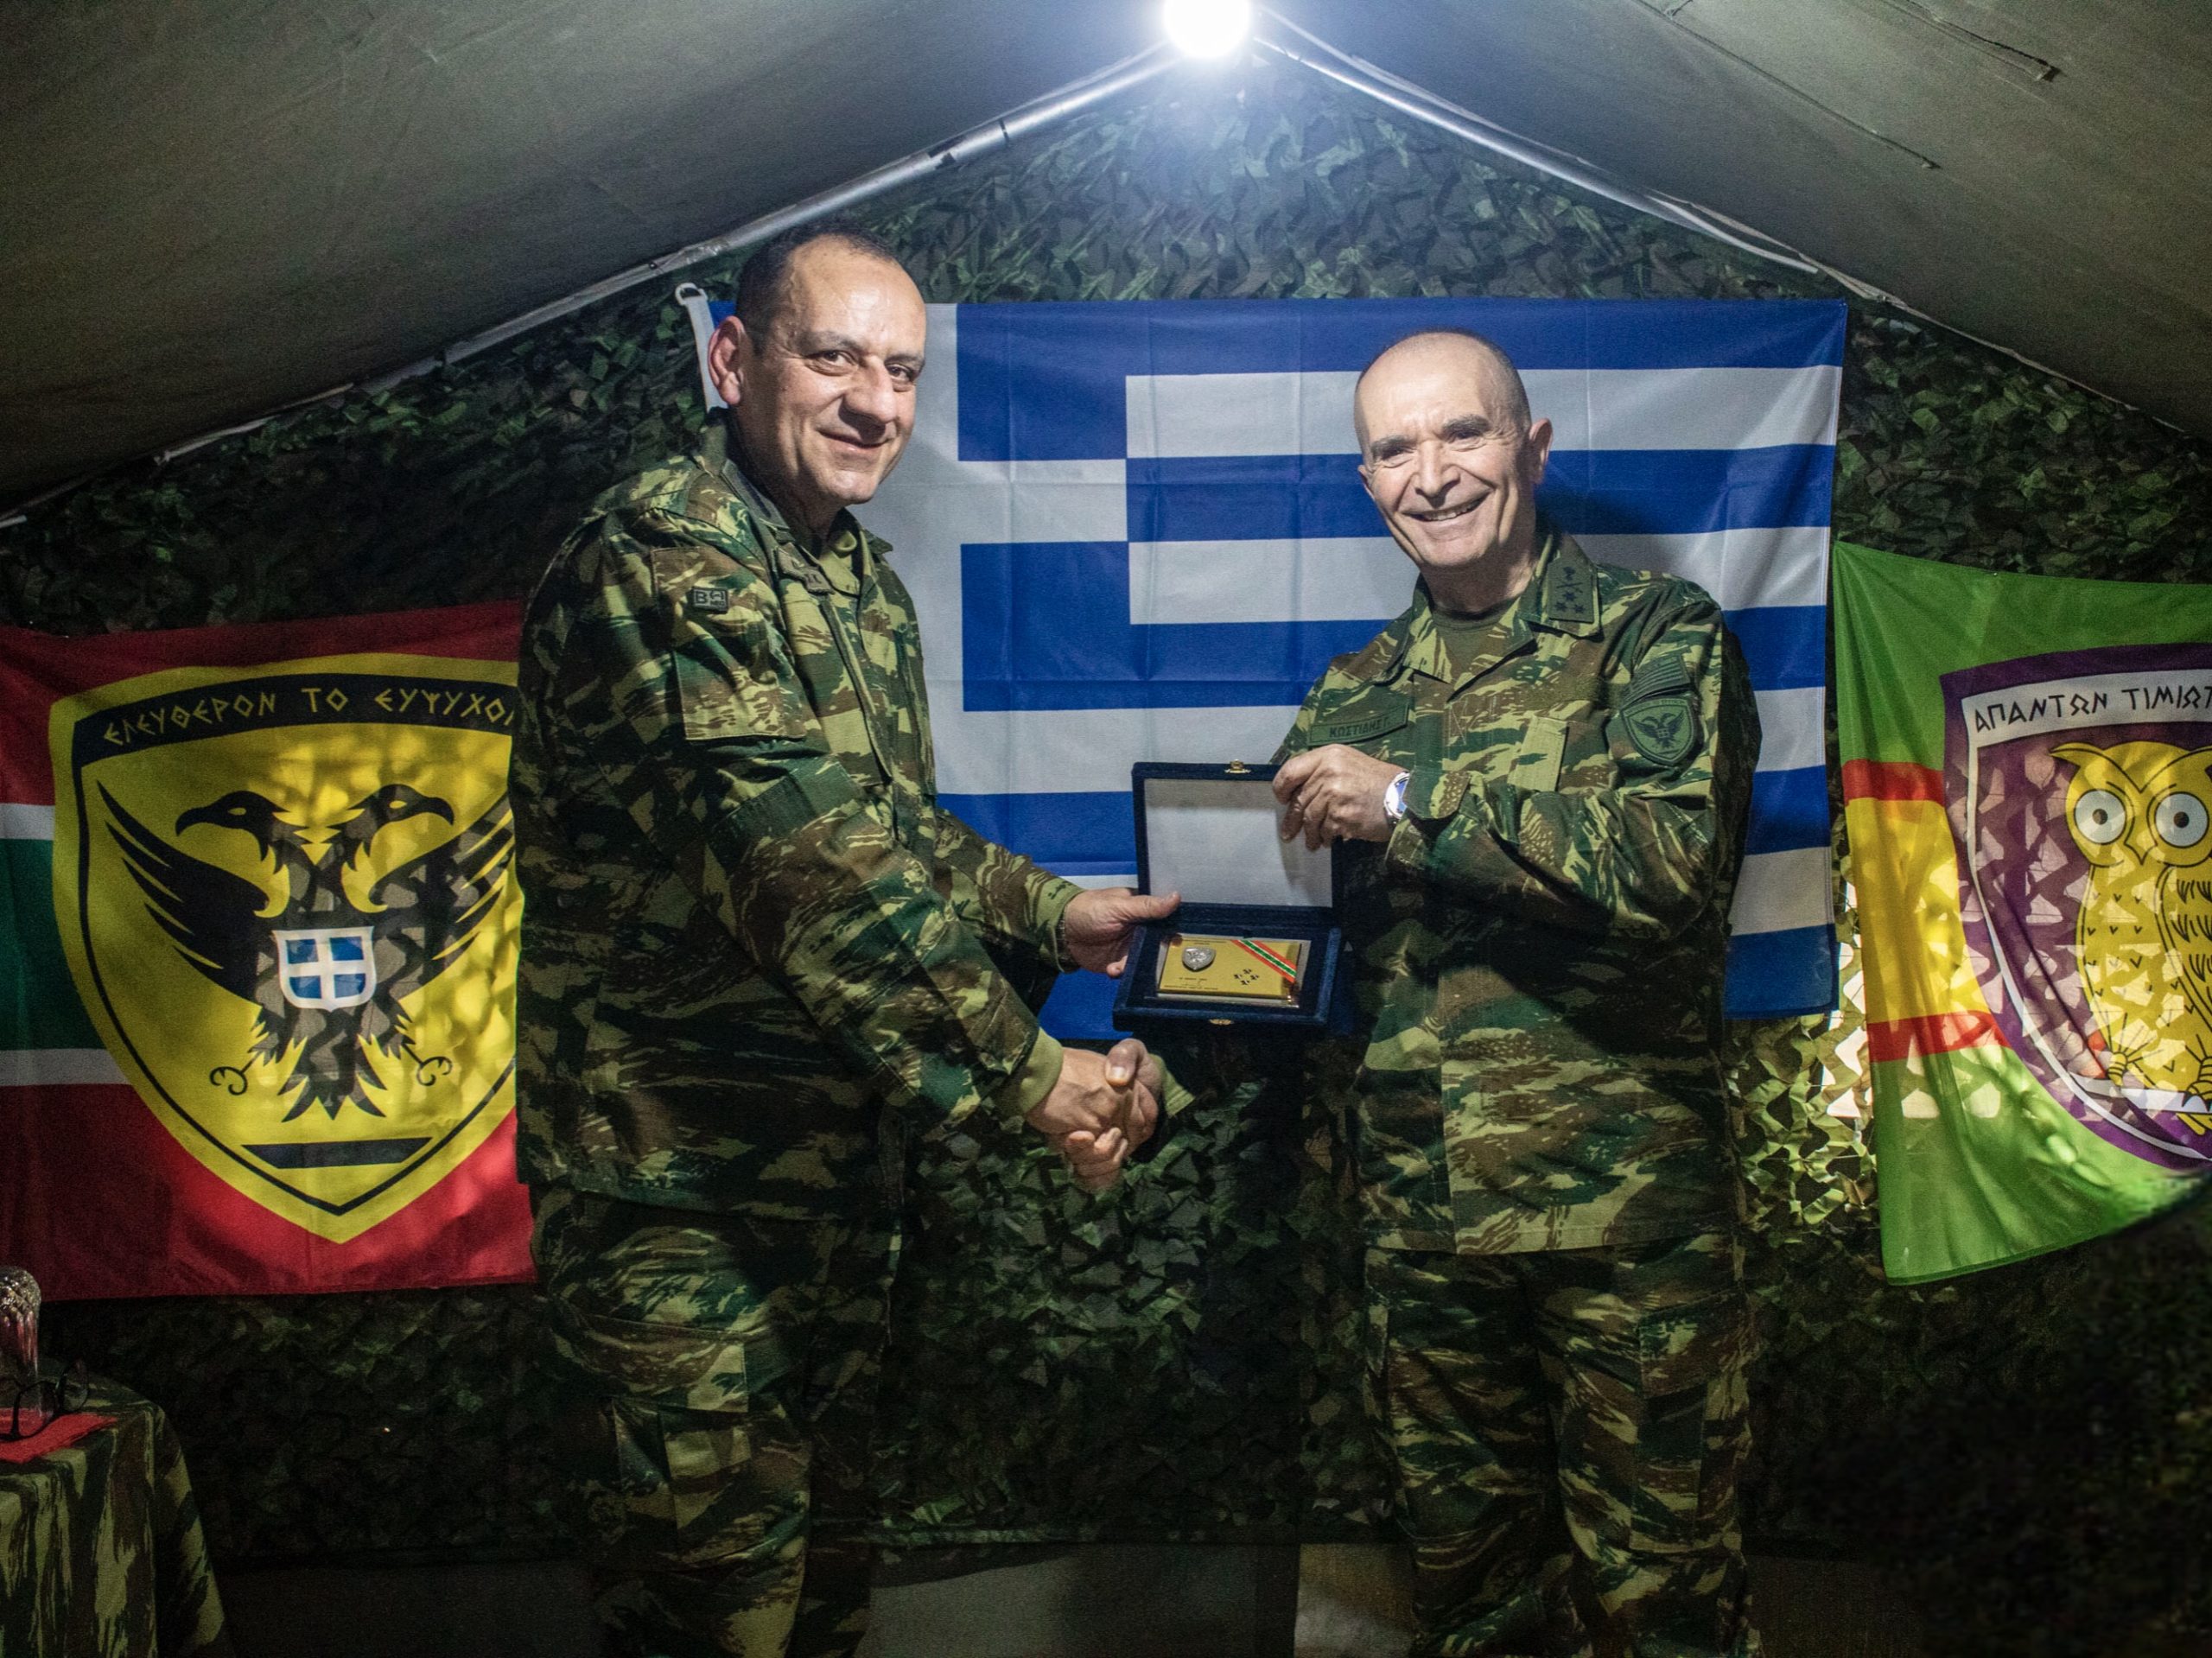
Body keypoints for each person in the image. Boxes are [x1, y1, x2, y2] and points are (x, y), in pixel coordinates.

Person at [511, 220, 1179, 1658]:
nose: (877, 402)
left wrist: (1050, 912)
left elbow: (887, 830)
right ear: (733, 360)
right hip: (681, 1209)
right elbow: (806, 867)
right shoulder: (666, 559)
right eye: (834, 358)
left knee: (818, 1613)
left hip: (825, 1192)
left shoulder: (853, 580)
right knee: (710, 1626)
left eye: (904, 370)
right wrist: (1036, 1080)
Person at [1271, 329, 1763, 1657]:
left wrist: (1409, 802)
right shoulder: (1353, 694)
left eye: (1462, 433)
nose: (1430, 474)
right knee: (1471, 1600)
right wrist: (1181, 979)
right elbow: (1307, 944)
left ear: (1532, 448)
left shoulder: (1657, 640)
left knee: (1664, 1604)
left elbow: (1669, 863)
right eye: (1394, 449)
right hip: (1423, 1224)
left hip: (1623, 1218)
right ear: (1366, 481)